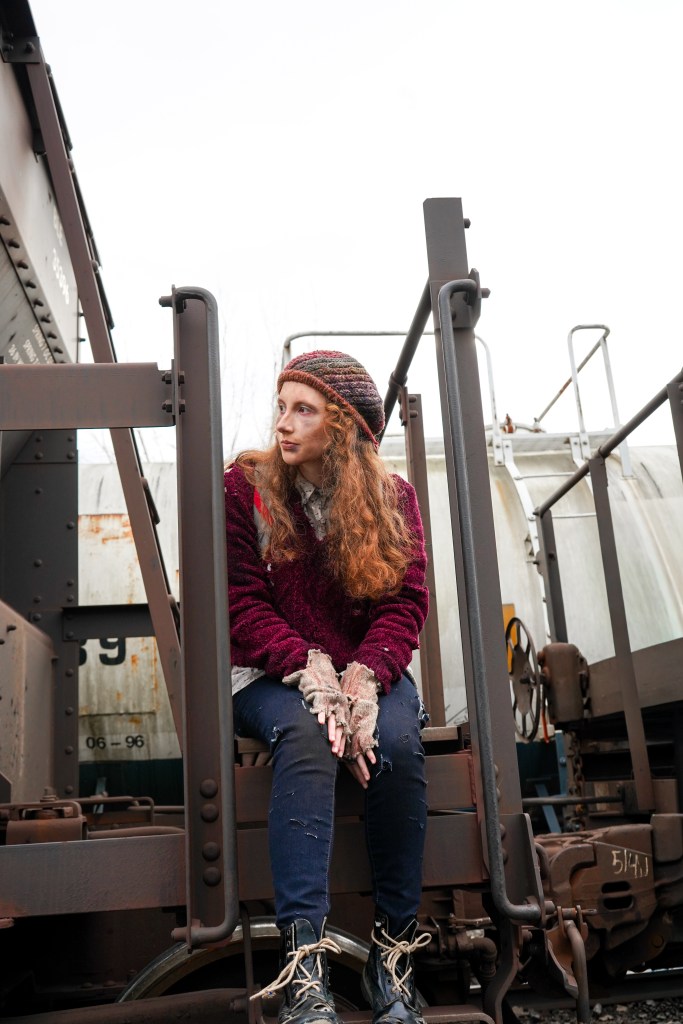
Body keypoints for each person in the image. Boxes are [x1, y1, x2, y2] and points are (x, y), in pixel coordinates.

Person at [224, 350, 430, 1024]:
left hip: (366, 667)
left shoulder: (393, 499)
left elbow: (405, 603)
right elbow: (241, 602)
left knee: (397, 743)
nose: (283, 424)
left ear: (342, 428)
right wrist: (308, 671)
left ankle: (392, 956)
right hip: (270, 670)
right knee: (308, 734)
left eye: (302, 410)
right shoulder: (244, 488)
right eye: (281, 407)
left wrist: (364, 680)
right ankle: (303, 969)